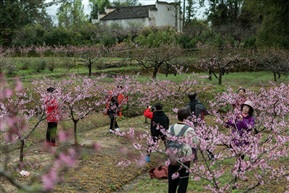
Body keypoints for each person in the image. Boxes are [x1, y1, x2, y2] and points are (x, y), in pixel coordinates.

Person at [167, 107, 198, 193]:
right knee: (183, 183)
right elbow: (195, 142)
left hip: (172, 157)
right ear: (187, 117)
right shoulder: (189, 129)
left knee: (171, 183)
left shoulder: (171, 128)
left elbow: (167, 140)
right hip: (185, 158)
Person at [186, 92, 213, 160]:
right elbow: (206, 113)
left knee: (192, 141)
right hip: (201, 125)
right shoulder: (200, 105)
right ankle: (210, 155)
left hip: (191, 126)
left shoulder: (186, 106)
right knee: (205, 140)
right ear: (196, 97)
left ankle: (195, 157)